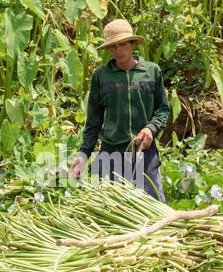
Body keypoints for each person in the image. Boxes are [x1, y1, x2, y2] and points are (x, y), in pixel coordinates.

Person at [69, 19, 169, 201]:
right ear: (108, 49)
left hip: (143, 152)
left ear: (132, 44)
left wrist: (151, 128)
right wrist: (84, 154)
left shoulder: (151, 72)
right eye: (113, 46)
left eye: (122, 44)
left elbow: (162, 109)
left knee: (154, 209)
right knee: (112, 212)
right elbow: (94, 120)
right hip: (111, 153)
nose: (118, 50)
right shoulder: (101, 76)